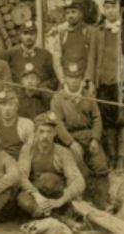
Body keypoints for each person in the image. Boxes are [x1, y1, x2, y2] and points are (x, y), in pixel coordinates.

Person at [50, 61, 110, 209]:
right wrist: (71, 143)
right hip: (69, 139)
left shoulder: (88, 96)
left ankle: (102, 202)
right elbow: (58, 124)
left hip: (89, 136)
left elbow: (97, 118)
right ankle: (83, 203)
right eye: (70, 77)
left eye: (77, 77)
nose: (74, 81)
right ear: (65, 78)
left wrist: (95, 139)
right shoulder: (58, 98)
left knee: (100, 165)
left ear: (81, 79)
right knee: (79, 168)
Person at [17, 112, 85, 218]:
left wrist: (60, 201)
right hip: (36, 194)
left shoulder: (63, 152)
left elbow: (78, 181)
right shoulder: (28, 149)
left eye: (49, 132)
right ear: (35, 133)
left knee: (48, 179)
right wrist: (37, 196)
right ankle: (55, 216)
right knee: (22, 199)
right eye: (41, 131)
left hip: (56, 194)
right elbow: (21, 176)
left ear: (55, 133)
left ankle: (52, 214)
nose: (45, 136)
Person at [92, 0, 122, 168]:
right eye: (108, 7)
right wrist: (90, 80)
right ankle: (111, 157)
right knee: (108, 121)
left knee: (122, 118)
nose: (111, 11)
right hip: (104, 82)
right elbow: (92, 57)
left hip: (121, 83)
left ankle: (121, 157)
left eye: (114, 7)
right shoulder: (99, 31)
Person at [2, 21, 56, 88]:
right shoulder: (10, 54)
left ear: (36, 35)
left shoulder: (46, 55)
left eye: (32, 34)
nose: (29, 37)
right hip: (18, 96)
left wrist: (42, 89)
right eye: (25, 33)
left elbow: (53, 79)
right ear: (20, 35)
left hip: (39, 96)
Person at [54, 0, 96, 84]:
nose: (70, 15)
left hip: (84, 78)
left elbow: (92, 57)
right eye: (67, 13)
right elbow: (57, 58)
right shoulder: (62, 33)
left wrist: (88, 79)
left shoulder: (89, 32)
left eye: (73, 12)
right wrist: (61, 78)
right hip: (67, 78)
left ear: (81, 14)